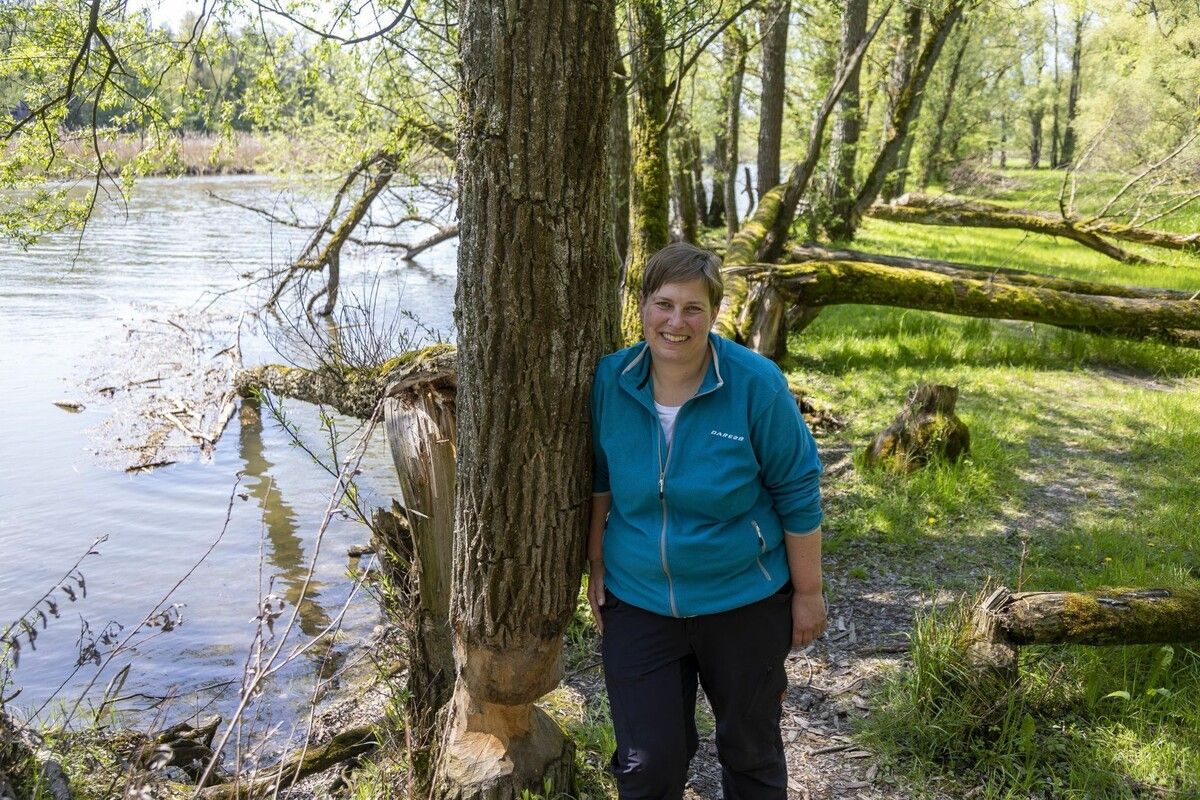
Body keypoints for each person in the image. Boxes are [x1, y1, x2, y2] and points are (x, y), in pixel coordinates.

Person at [588, 242, 825, 800]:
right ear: (643, 306)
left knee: (751, 751)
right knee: (648, 766)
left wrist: (808, 592)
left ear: (714, 314)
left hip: (743, 600)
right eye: (663, 304)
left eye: (693, 308)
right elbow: (598, 478)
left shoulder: (755, 383)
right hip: (638, 599)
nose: (676, 322)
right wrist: (595, 563)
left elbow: (797, 490)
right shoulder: (610, 380)